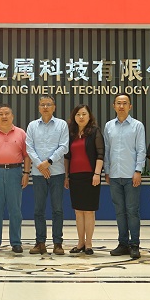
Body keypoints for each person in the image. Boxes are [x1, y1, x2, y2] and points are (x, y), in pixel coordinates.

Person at [0, 104, 30, 254]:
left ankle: (16, 242)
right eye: (0, 114)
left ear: (12, 116)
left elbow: (27, 156)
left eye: (7, 113)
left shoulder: (21, 133)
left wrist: (26, 173)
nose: (4, 116)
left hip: (15, 172)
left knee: (15, 210)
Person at [103, 94, 147, 260]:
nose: (121, 106)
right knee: (119, 211)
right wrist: (107, 171)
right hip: (114, 175)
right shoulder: (109, 126)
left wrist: (138, 171)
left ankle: (134, 244)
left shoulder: (137, 126)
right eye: (118, 103)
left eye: (124, 103)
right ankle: (122, 243)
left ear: (130, 106)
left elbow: (141, 150)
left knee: (132, 211)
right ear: (114, 106)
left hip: (131, 175)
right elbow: (107, 150)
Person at [25, 95, 69, 255]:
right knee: (39, 209)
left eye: (48, 104)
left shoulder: (62, 125)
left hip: (57, 172)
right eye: (42, 104)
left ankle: (58, 243)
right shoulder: (32, 126)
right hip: (38, 174)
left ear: (54, 107)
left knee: (57, 209)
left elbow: (64, 146)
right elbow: (29, 147)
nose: (45, 107)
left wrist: (48, 162)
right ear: (38, 107)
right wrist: (40, 165)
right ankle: (40, 242)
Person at [65, 104, 104, 255]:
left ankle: (88, 244)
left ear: (89, 116)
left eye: (84, 114)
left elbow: (100, 154)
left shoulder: (94, 132)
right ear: (74, 117)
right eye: (78, 114)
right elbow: (67, 157)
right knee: (78, 211)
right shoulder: (71, 133)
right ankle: (80, 242)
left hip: (91, 176)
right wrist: (66, 176)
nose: (81, 117)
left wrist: (97, 174)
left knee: (89, 211)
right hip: (75, 177)